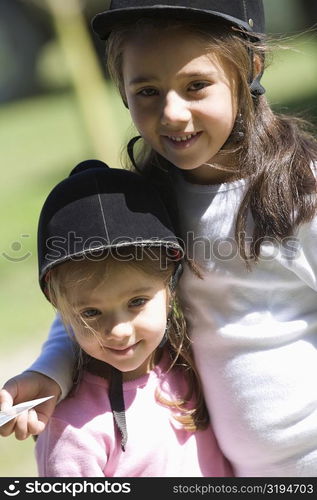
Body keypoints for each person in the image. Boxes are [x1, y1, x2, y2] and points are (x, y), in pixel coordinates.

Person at [1, 0, 317, 477]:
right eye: (148, 89)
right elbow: (92, 299)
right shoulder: (142, 203)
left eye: (196, 86)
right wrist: (50, 371)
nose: (172, 113)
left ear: (249, 67)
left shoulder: (299, 189)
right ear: (122, 92)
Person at [33, 159, 232, 477]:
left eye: (137, 302)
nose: (119, 330)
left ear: (170, 284)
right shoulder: (71, 431)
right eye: (91, 313)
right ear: (60, 306)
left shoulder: (189, 363)